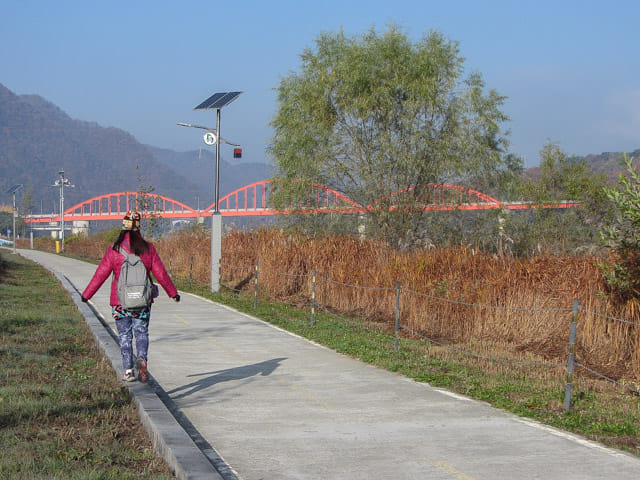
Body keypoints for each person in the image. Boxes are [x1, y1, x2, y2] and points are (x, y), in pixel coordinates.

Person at [81, 211, 180, 382]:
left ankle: (128, 370)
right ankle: (142, 359)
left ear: (123, 227)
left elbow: (100, 275)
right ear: (139, 227)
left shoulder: (114, 250)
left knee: (125, 335)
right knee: (141, 333)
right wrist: (173, 293)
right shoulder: (148, 249)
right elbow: (161, 274)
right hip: (142, 301)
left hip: (120, 302)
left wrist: (86, 295)